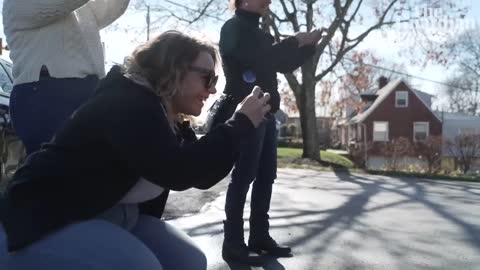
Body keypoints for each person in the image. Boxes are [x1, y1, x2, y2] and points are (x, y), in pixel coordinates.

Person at [0, 31, 271, 270]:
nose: (212, 89)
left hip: (108, 217)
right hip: (42, 219)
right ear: (173, 68)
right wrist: (238, 126)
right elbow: (177, 170)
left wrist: (236, 128)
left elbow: (201, 175)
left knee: (188, 261)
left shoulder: (168, 116)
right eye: (207, 78)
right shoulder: (128, 101)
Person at [212, 0, 324, 263]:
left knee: (265, 176)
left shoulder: (262, 34)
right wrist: (295, 40)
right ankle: (233, 242)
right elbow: (258, 59)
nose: (269, 1)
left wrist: (308, 45)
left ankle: (260, 237)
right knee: (244, 177)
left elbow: (280, 63)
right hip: (246, 112)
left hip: (267, 115)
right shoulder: (233, 28)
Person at [2, 0, 131, 155]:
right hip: (46, 96)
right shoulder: (17, 3)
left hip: (88, 92)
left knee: (90, 168)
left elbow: (108, 9)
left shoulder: (78, 11)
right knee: (57, 169)